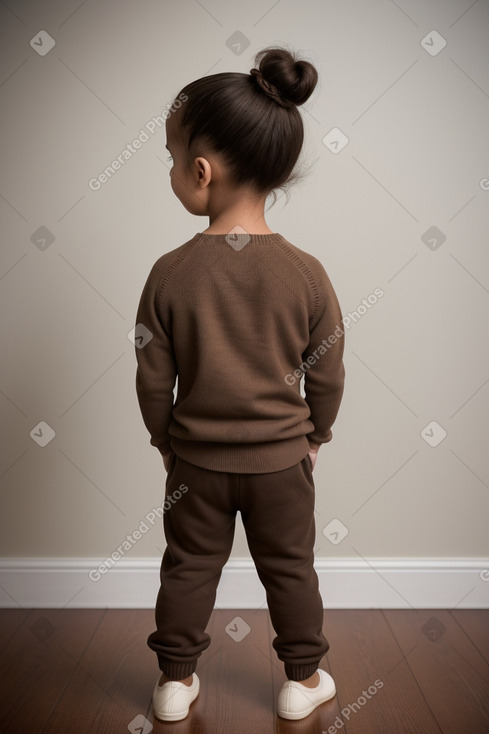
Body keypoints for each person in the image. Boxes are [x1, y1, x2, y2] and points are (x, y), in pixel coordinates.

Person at [134, 44, 346, 723]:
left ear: (201, 172)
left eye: (171, 159)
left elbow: (152, 374)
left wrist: (164, 439)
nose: (172, 171)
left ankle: (172, 682)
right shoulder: (307, 272)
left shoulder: (169, 272)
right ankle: (302, 679)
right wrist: (317, 433)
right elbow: (329, 368)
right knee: (290, 569)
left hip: (194, 462)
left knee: (188, 567)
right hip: (282, 463)